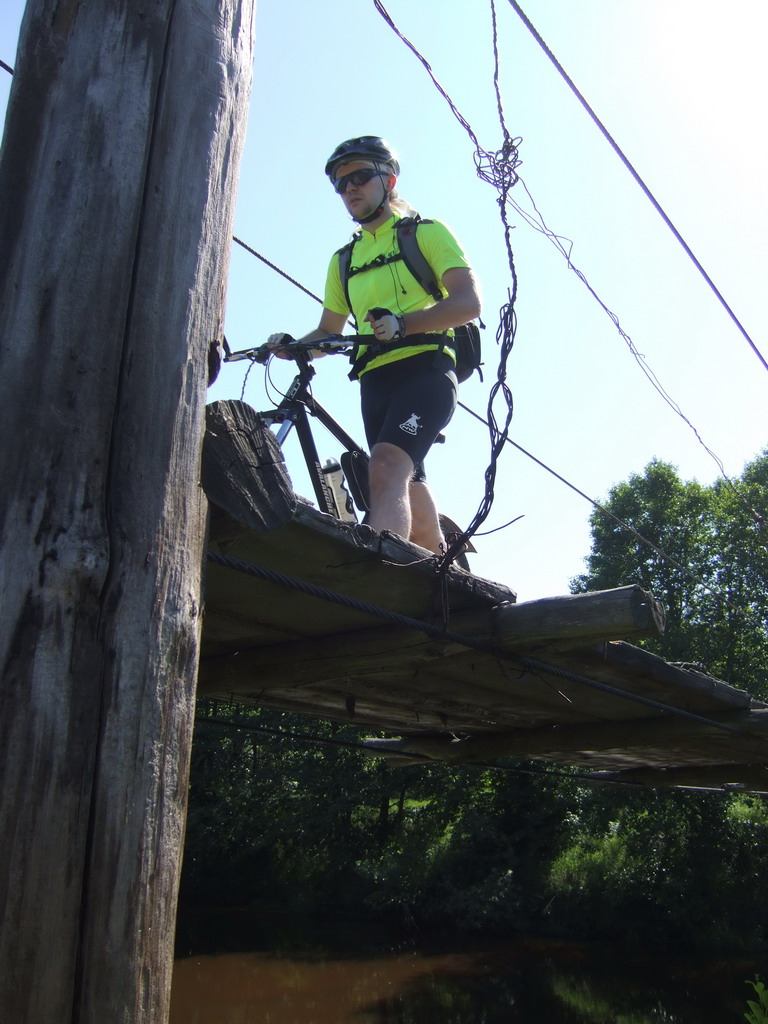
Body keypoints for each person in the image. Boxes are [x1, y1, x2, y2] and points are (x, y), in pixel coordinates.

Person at [268, 135, 481, 554]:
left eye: (361, 176)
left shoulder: (426, 233)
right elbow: (328, 331)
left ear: (390, 181)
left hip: (426, 370)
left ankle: (379, 567)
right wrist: (294, 346)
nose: (350, 188)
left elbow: (468, 303)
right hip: (374, 381)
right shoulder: (344, 260)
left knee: (385, 466)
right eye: (340, 183)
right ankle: (441, 575)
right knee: (407, 485)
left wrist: (404, 324)